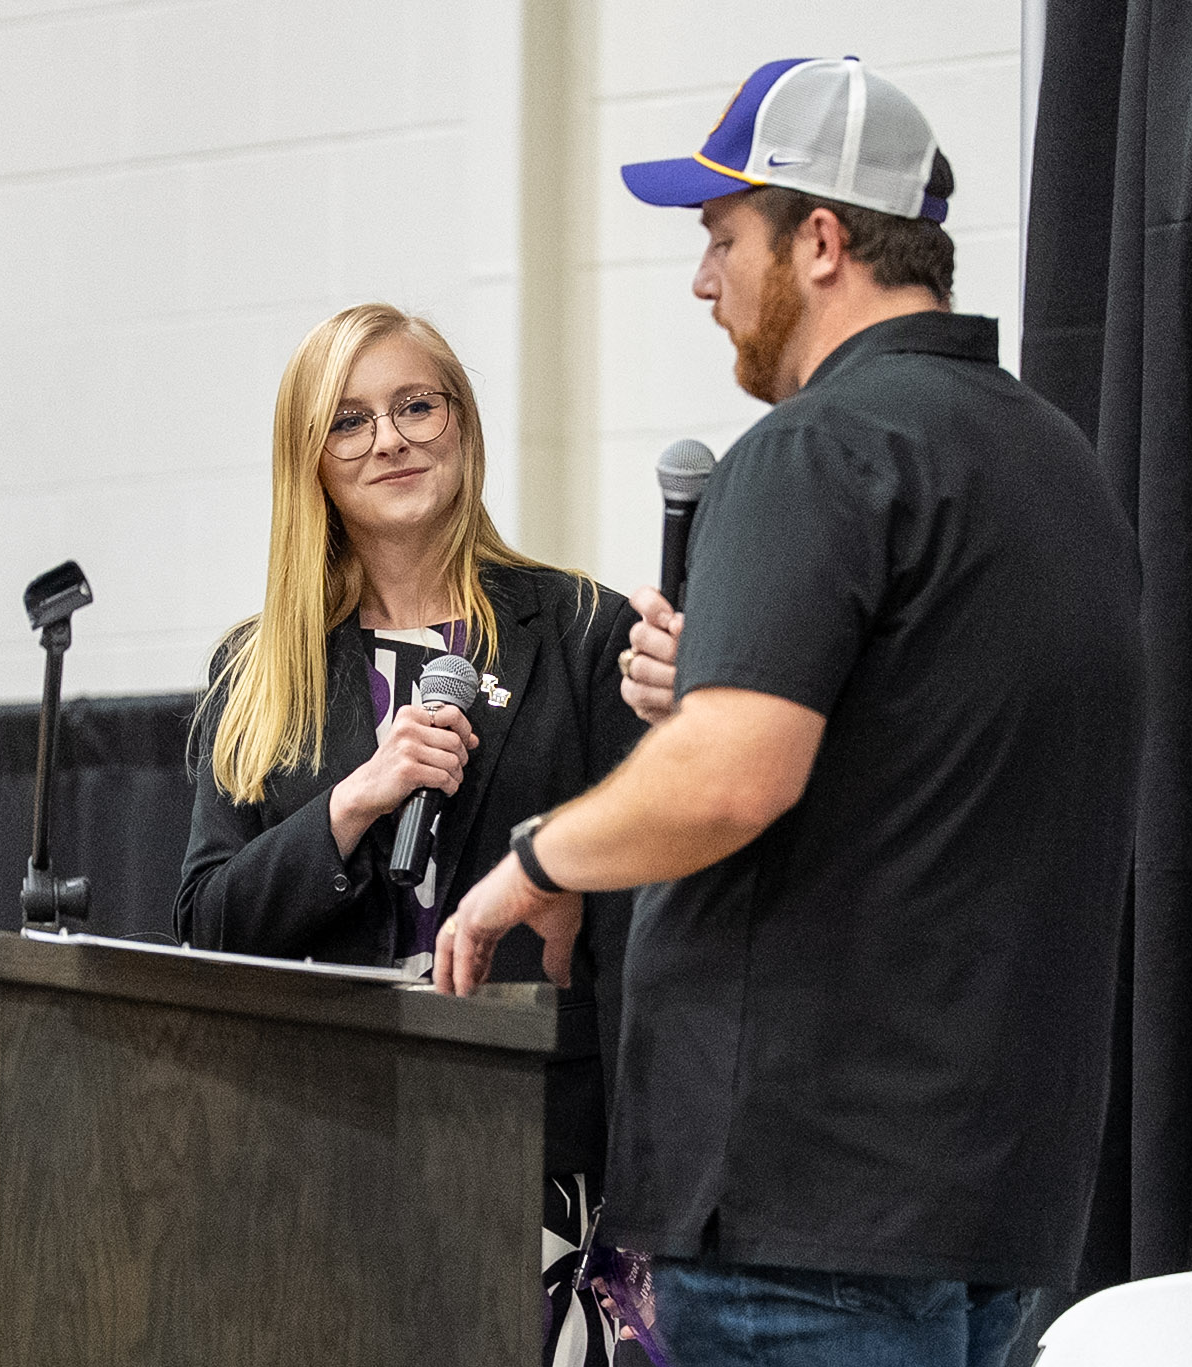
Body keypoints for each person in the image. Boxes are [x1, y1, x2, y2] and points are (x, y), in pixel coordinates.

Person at [436, 57, 1145, 1367]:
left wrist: (529, 863)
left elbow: (730, 777)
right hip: (991, 1198)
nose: (702, 281)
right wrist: (725, 675)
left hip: (800, 1212)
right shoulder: (1059, 468)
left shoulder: (817, 449)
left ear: (818, 238)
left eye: (719, 239)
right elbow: (913, 758)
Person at [177, 302, 646, 1366]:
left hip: (538, 1146)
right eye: (348, 422)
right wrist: (352, 803)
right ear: (312, 465)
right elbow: (209, 922)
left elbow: (641, 915)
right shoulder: (255, 674)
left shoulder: (581, 631)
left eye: (414, 406)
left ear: (463, 427)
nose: (388, 439)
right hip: (323, 1154)